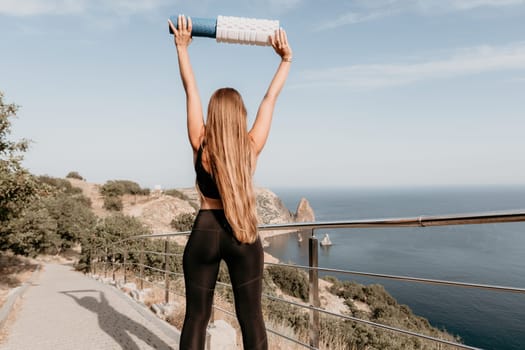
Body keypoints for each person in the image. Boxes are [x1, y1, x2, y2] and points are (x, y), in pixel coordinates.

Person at [168, 15, 292, 350]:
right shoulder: (250, 147)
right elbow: (269, 100)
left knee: (196, 316)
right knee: (251, 318)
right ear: (240, 115)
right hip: (242, 233)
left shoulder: (201, 141)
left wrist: (182, 47)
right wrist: (285, 60)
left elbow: (190, 88)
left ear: (213, 114)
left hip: (204, 232)